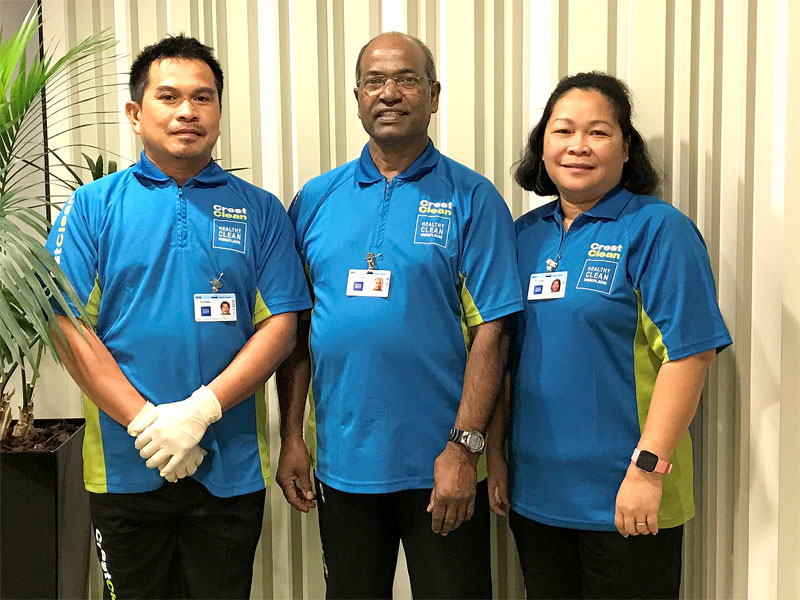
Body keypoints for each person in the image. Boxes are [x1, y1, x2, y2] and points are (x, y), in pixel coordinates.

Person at [45, 35, 311, 599]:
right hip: (124, 469)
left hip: (229, 468)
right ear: (136, 114)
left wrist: (199, 411)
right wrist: (147, 423)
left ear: (218, 111)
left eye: (203, 97)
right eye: (169, 97)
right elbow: (68, 327)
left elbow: (281, 326)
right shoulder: (92, 207)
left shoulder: (259, 209)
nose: (188, 111)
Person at [276, 32, 523, 599]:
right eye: (375, 81)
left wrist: (465, 449)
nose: (390, 93)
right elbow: (297, 331)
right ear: (357, 96)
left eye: (407, 79)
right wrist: (292, 435)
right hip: (343, 466)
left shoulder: (472, 197)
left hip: (441, 468)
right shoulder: (315, 198)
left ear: (434, 95)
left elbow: (494, 331)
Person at [486, 72, 731, 599]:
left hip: (630, 498)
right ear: (542, 147)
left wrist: (647, 470)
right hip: (539, 499)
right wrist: (497, 458)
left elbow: (691, 355)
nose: (578, 146)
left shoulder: (659, 230)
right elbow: (504, 357)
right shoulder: (522, 236)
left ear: (626, 151)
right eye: (562, 131)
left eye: (598, 132)